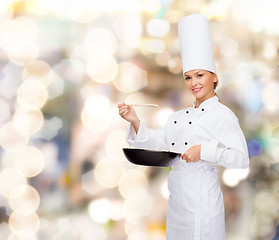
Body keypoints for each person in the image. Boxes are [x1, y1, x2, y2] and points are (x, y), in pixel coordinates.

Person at [118, 14, 249, 240]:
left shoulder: (223, 116)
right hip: (177, 201)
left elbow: (241, 159)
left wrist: (204, 151)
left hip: (204, 204)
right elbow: (160, 143)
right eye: (188, 77)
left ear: (215, 77)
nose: (194, 83)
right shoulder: (177, 117)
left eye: (200, 75)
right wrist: (135, 122)